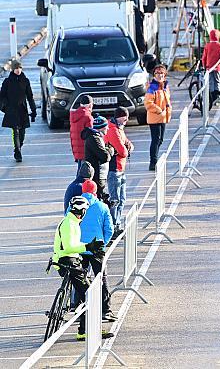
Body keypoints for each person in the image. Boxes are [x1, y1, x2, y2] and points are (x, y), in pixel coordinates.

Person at [52, 196, 106, 341]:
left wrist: (91, 247)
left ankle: (85, 326)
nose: (85, 213)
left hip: (68, 260)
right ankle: (85, 330)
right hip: (68, 261)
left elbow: (73, 243)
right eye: (85, 211)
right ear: (81, 211)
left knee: (85, 293)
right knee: (90, 294)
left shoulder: (72, 222)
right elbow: (69, 247)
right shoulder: (69, 223)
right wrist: (88, 247)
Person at [75, 180, 115, 322]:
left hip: (79, 246)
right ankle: (106, 309)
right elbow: (110, 229)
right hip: (97, 247)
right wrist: (103, 243)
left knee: (79, 276)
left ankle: (78, 305)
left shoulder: (74, 206)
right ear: (95, 192)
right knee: (101, 277)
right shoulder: (102, 207)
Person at [0, 59, 36, 162]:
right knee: (15, 130)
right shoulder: (7, 81)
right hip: (11, 110)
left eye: (20, 68)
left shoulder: (25, 81)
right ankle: (17, 150)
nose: (18, 70)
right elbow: (2, 96)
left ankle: (20, 146)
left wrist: (33, 110)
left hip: (22, 110)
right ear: (12, 69)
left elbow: (30, 96)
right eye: (16, 68)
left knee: (22, 132)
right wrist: (4, 107)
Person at [104, 107, 133, 233]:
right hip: (114, 169)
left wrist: (127, 148)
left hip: (121, 169)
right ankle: (113, 227)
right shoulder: (113, 130)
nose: (127, 119)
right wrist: (126, 149)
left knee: (122, 199)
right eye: (124, 117)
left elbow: (129, 144)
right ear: (118, 117)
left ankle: (117, 223)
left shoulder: (119, 129)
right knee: (115, 199)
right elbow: (123, 151)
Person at [145, 65, 172, 171]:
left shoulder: (165, 86)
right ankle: (153, 162)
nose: (160, 75)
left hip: (163, 116)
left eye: (162, 73)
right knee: (156, 140)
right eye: (157, 73)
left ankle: (154, 159)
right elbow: (148, 103)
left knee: (160, 140)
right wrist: (159, 110)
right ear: (154, 75)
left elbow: (167, 100)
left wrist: (167, 110)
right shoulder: (152, 88)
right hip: (155, 117)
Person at [81, 116, 113, 203]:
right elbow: (105, 157)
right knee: (98, 199)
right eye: (106, 127)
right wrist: (110, 150)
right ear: (102, 128)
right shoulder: (94, 138)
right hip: (97, 175)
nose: (108, 129)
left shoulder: (97, 137)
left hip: (100, 174)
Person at [202, 28, 220, 110]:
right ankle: (217, 96)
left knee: (211, 82)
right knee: (217, 81)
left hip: (209, 67)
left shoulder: (207, 46)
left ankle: (211, 98)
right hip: (217, 67)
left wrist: (204, 66)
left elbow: (204, 57)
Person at [70, 94, 93, 171]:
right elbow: (91, 135)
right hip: (86, 151)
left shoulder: (74, 116)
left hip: (77, 150)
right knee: (84, 174)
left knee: (80, 172)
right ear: (90, 105)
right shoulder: (87, 117)